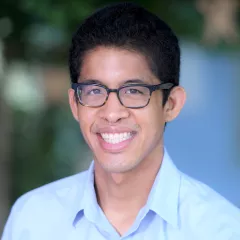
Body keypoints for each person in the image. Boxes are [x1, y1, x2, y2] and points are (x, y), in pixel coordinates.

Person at [2, 2, 240, 240]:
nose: (112, 112)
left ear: (171, 104)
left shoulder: (220, 229)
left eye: (134, 91)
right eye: (94, 91)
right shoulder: (32, 221)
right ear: (75, 104)